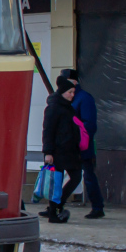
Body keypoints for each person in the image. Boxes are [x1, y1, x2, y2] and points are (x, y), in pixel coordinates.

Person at [60, 69, 105, 219]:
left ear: (73, 81)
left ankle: (97, 207)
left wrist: (77, 139)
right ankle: (57, 204)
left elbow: (89, 125)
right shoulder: (71, 98)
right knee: (76, 176)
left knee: (87, 175)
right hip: (71, 145)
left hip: (81, 146)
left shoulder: (84, 98)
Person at [42, 76, 83, 223]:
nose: (72, 95)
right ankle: (53, 212)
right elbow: (48, 131)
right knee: (56, 183)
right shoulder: (54, 108)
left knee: (76, 177)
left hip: (70, 151)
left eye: (73, 92)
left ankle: (59, 204)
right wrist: (48, 152)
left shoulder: (68, 108)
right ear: (63, 92)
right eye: (70, 92)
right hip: (57, 152)